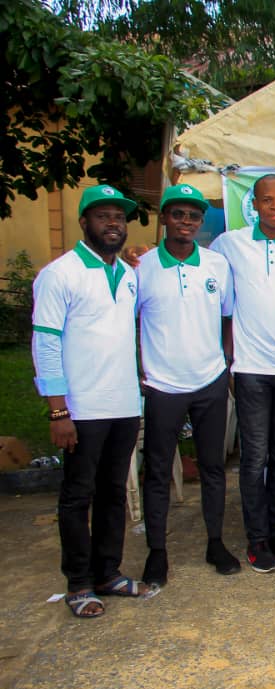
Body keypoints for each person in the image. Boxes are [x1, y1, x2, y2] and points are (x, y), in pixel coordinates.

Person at [32, 185, 145, 617]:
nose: (113, 223)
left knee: (114, 493)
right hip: (81, 408)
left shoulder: (128, 274)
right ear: (84, 222)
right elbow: (45, 343)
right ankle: (79, 583)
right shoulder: (60, 274)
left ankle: (108, 572)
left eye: (119, 216)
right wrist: (58, 410)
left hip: (123, 404)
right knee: (78, 496)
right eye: (103, 216)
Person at [136, 184, 240, 585]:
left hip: (210, 381)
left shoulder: (216, 265)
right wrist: (139, 370)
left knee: (214, 467)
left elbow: (227, 318)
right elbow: (129, 322)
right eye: (178, 214)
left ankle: (215, 543)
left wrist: (225, 365)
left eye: (194, 216)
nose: (186, 222)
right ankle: (157, 552)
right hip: (162, 385)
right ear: (164, 218)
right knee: (158, 470)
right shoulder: (142, 267)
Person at [210, 174, 275, 573]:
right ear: (254, 204)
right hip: (250, 369)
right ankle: (256, 540)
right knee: (254, 459)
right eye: (268, 200)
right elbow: (209, 288)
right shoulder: (229, 244)